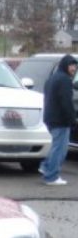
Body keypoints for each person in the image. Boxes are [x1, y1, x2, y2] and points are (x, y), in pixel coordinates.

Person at [39, 54, 77, 186]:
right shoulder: (65, 80)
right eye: (71, 65)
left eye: (75, 66)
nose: (73, 68)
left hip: (50, 118)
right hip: (60, 120)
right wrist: (72, 119)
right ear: (65, 66)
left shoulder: (53, 78)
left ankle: (46, 166)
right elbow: (66, 102)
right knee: (60, 149)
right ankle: (51, 177)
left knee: (56, 146)